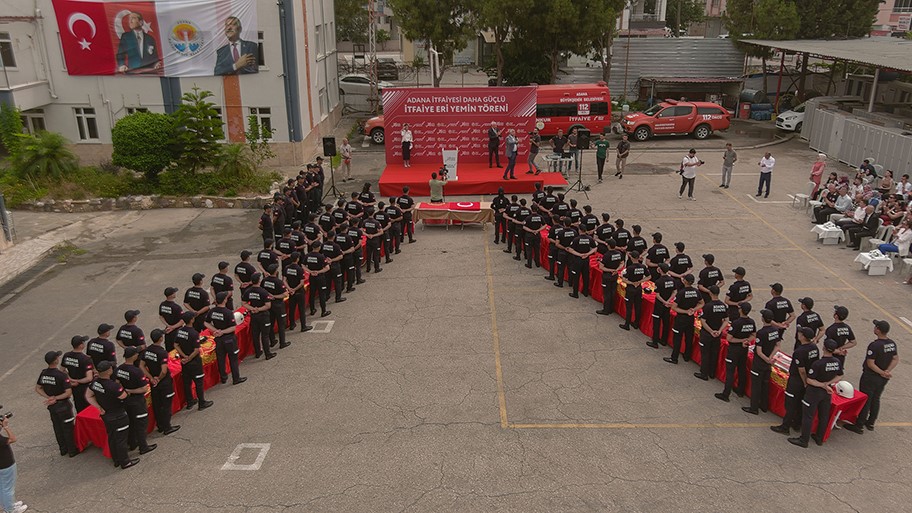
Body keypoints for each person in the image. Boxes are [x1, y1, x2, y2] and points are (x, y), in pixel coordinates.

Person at [845, 320, 900, 434]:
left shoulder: (875, 345)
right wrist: (887, 371)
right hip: (883, 378)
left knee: (866, 399)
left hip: (871, 376)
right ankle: (871, 422)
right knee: (876, 398)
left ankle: (859, 425)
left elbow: (870, 363)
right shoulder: (891, 344)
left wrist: (881, 372)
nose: (874, 328)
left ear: (878, 330)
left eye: (876, 327)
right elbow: (895, 358)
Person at [788, 338, 843, 448]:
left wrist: (822, 384)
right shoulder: (837, 362)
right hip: (827, 393)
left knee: (808, 416)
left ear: (823, 348)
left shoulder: (818, 364)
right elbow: (840, 375)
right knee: (824, 416)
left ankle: (804, 440)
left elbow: (809, 380)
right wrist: (828, 384)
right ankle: (819, 438)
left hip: (814, 393)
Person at [86, 360, 139, 469]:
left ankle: (116, 460)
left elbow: (89, 395)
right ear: (109, 371)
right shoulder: (113, 386)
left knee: (112, 437)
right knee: (121, 440)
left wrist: (98, 407)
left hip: (106, 415)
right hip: (118, 415)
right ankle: (125, 462)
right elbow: (124, 397)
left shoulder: (95, 383)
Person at [771, 327, 820, 434]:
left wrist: (805, 382)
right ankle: (796, 424)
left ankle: (785, 427)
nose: (798, 334)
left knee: (790, 405)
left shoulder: (799, 351)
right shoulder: (814, 348)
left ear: (803, 336)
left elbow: (801, 370)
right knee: (799, 403)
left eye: (800, 333)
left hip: (797, 380)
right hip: (807, 379)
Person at [34, 351, 78, 457]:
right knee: (68, 428)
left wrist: (49, 397)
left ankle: (63, 449)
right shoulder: (61, 375)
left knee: (57, 427)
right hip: (63, 406)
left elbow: (38, 388)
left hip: (52, 406)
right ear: (56, 360)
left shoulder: (44, 373)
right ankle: (72, 450)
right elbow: (68, 393)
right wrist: (55, 398)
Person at [115, 347, 156, 455]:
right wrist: (129, 390)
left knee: (131, 423)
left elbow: (117, 382)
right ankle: (143, 447)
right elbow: (144, 389)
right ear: (133, 356)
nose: (138, 355)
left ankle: (132, 443)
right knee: (141, 424)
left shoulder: (119, 369)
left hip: (126, 401)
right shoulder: (137, 371)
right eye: (136, 354)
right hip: (137, 401)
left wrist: (124, 390)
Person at [138, 329, 180, 436]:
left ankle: (160, 426)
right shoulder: (162, 352)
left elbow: (141, 365)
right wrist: (158, 379)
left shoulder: (147, 351)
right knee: (166, 405)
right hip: (164, 383)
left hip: (153, 383)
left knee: (157, 405)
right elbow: (164, 370)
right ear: (161, 338)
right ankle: (167, 427)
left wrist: (151, 378)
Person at [742, 309, 781, 414]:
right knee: (765, 384)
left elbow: (759, 352)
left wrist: (767, 359)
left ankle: (754, 408)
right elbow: (778, 346)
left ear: (763, 319)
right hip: (768, 361)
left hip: (760, 362)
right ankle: (764, 406)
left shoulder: (761, 333)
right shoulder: (775, 330)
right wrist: (770, 358)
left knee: (756, 386)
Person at [715, 302, 756, 402]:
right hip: (744, 349)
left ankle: (726, 394)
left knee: (730, 372)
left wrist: (741, 341)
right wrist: (747, 340)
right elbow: (753, 335)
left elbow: (729, 338)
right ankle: (740, 391)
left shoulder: (737, 323)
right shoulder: (751, 322)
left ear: (740, 310)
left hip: (734, 350)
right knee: (742, 369)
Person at [205, 292, 249, 385]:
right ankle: (236, 378)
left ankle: (223, 378)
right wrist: (222, 332)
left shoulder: (212, 311)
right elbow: (233, 328)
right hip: (229, 339)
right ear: (225, 300)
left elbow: (206, 323)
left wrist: (215, 330)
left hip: (218, 339)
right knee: (233, 359)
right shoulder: (228, 312)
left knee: (221, 359)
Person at [175, 311, 213, 410]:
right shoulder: (194, 333)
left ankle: (190, 402)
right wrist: (189, 358)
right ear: (192, 320)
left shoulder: (179, 331)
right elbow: (196, 350)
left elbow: (176, 345)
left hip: (184, 362)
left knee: (187, 382)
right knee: (199, 383)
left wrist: (184, 356)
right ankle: (202, 403)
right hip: (194, 362)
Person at [665, 274, 703, 364]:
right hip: (690, 318)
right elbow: (702, 303)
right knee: (689, 338)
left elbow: (674, 307)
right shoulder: (696, 292)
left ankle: (674, 358)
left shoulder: (681, 293)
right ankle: (687, 356)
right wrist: (694, 309)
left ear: (685, 281)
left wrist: (686, 311)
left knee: (677, 339)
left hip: (681, 319)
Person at [694, 286, 729, 381]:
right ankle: (712, 373)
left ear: (710, 293)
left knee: (705, 354)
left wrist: (711, 331)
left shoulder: (708, 306)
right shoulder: (723, 306)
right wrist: (719, 331)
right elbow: (726, 320)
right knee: (714, 353)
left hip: (707, 334)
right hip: (717, 334)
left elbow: (703, 321)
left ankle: (704, 373)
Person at [241, 273, 276, 359]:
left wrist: (252, 308)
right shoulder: (263, 292)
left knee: (255, 335)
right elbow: (268, 305)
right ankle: (268, 354)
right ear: (259, 281)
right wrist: (258, 309)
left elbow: (244, 303)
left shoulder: (248, 291)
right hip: (263, 316)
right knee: (265, 335)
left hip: (254, 315)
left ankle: (258, 352)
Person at [61, 336, 94, 413]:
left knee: (79, 407)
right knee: (89, 410)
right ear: (81, 345)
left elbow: (62, 370)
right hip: (85, 388)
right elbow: (89, 378)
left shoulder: (66, 355)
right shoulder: (86, 359)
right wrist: (77, 380)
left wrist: (70, 379)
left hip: (74, 388)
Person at [0, 414, 26, 513]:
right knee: (8, 489)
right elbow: (13, 439)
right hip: (6, 465)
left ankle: (7, 505)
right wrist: (6, 426)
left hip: (1, 466)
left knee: (2, 487)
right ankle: (10, 509)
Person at [262, 264, 290, 349]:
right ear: (276, 271)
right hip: (278, 305)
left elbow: (263, 291)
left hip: (269, 305)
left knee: (271, 323)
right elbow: (285, 294)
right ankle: (282, 342)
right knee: (281, 324)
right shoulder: (278, 282)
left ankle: (272, 340)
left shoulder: (264, 281)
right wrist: (275, 296)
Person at [619, 251, 648, 331]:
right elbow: (649, 276)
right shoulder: (643, 266)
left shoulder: (630, 268)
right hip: (638, 288)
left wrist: (632, 283)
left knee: (629, 307)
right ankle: (636, 323)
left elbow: (624, 279)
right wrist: (639, 282)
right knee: (638, 307)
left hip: (630, 289)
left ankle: (627, 324)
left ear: (631, 257)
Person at [649, 263, 676, 349]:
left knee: (656, 323)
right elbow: (674, 292)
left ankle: (655, 341)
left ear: (660, 270)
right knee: (666, 323)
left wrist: (664, 302)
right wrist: (668, 301)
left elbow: (657, 295)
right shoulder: (672, 280)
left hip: (659, 305)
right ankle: (664, 340)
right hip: (667, 305)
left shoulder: (659, 281)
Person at [303, 242, 332, 316]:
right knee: (322, 294)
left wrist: (310, 271)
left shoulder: (307, 255)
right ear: (319, 247)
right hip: (320, 277)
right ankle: (323, 311)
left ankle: (312, 309)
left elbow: (303, 265)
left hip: (312, 277)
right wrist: (318, 272)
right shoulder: (321, 256)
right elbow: (327, 268)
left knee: (312, 293)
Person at [597, 239, 624, 316]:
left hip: (607, 276)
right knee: (612, 292)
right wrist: (617, 270)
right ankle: (611, 308)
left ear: (608, 245)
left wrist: (611, 270)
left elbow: (601, 267)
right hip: (615, 275)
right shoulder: (619, 253)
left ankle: (606, 310)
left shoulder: (607, 255)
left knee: (607, 294)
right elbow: (622, 263)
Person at [567, 229, 597, 298]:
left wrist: (580, 255)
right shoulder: (590, 238)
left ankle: (575, 293)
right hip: (586, 260)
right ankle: (585, 292)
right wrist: (587, 254)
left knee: (576, 277)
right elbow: (595, 248)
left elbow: (570, 249)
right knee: (586, 276)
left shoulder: (576, 239)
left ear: (580, 230)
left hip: (577, 260)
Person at [159, 287, 184, 352]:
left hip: (168, 331)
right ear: (172, 295)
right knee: (178, 349)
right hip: (177, 331)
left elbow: (161, 317)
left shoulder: (162, 305)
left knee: (169, 349)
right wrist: (172, 327)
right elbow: (182, 321)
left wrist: (168, 325)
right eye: (174, 293)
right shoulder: (176, 307)